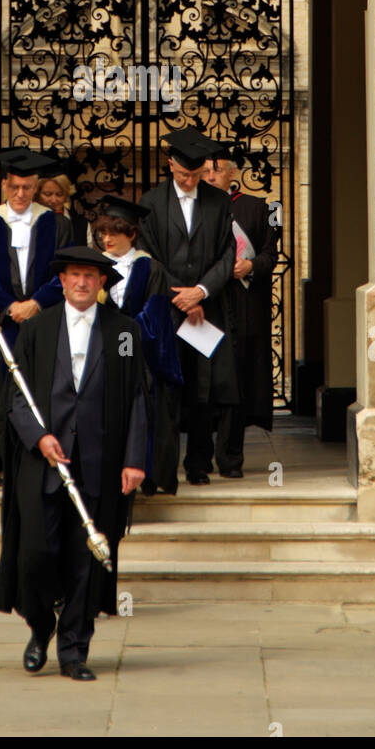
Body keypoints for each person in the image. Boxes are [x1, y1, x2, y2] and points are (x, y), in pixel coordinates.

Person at [0, 246, 147, 681]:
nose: (81, 282)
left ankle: (74, 651)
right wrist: (38, 437)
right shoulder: (37, 329)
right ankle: (41, 627)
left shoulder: (124, 331)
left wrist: (135, 459)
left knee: (88, 563)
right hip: (44, 466)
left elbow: (137, 398)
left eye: (90, 277)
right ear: (61, 281)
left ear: (101, 284)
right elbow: (15, 395)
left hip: (100, 463)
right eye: (74, 275)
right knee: (35, 555)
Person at [137, 128, 238, 484]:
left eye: (195, 175)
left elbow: (229, 253)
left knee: (203, 389)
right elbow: (147, 256)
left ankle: (198, 463)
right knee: (166, 389)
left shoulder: (219, 201)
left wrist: (201, 291)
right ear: (170, 166)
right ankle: (163, 467)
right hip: (167, 309)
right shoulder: (150, 203)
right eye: (183, 175)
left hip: (206, 310)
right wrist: (181, 296)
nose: (190, 180)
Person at [0, 148, 71, 473]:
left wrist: (36, 303)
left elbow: (65, 272)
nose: (21, 194)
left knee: (44, 386)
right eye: (14, 187)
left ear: (36, 185)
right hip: (3, 323)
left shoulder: (56, 223)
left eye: (27, 187)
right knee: (0, 389)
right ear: (5, 184)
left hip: (43, 318)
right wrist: (10, 307)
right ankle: (1, 459)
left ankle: (42, 456)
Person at [92, 195, 182, 495]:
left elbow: (154, 315)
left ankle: (149, 476)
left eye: (114, 233)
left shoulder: (149, 267)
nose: (107, 239)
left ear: (131, 233)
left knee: (143, 412)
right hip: (100, 355)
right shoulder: (93, 268)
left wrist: (123, 340)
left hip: (140, 355)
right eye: (102, 233)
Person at [202, 153, 279, 476]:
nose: (210, 176)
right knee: (204, 383)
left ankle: (231, 458)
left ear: (232, 172)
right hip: (205, 307)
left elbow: (270, 254)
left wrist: (250, 265)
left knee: (237, 380)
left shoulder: (261, 208)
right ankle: (199, 458)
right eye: (204, 171)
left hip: (245, 307)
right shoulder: (193, 210)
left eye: (216, 170)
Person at [35, 173, 90, 245]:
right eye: (48, 194)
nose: (54, 200)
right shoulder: (29, 221)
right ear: (38, 195)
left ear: (66, 196)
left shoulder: (81, 224)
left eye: (59, 194)